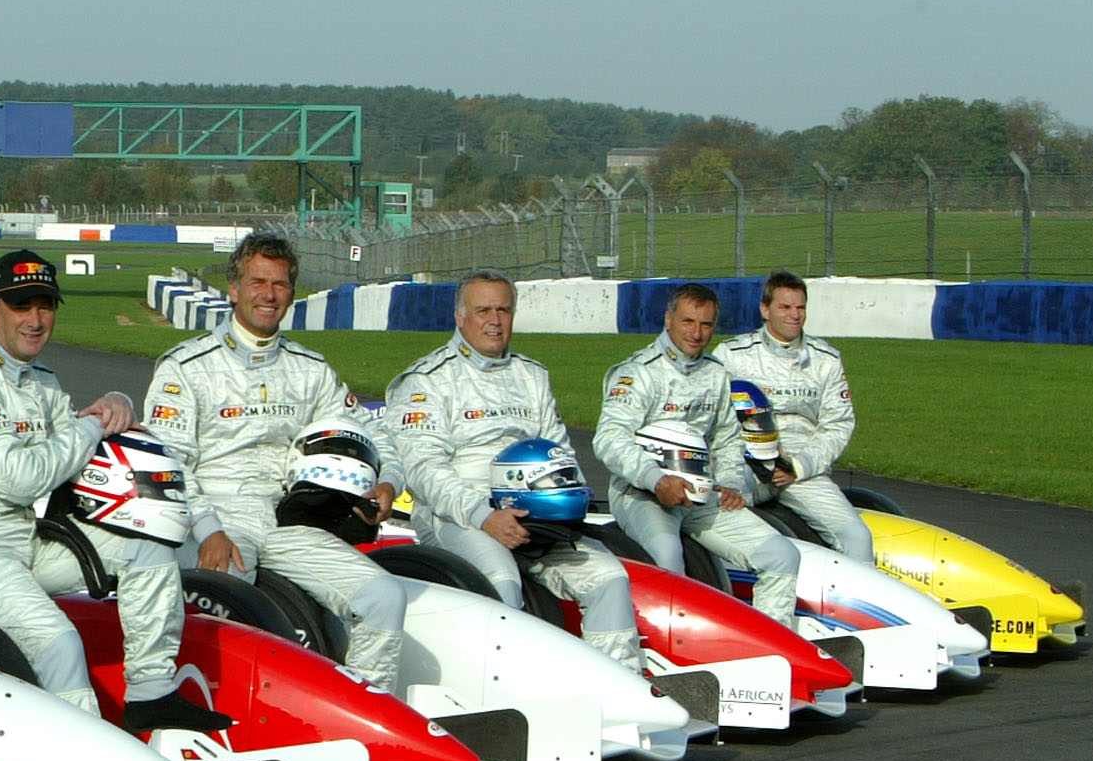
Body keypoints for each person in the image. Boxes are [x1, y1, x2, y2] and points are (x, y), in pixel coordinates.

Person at [0, 250, 188, 711]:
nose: (35, 319)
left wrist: (114, 405)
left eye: (45, 305)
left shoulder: (39, 379)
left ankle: (152, 692)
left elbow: (71, 455)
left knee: (146, 543)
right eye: (20, 306)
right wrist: (92, 425)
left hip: (20, 539)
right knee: (59, 645)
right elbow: (24, 478)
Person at [145, 230, 408, 692]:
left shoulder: (310, 370)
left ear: (291, 293)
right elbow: (167, 463)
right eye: (257, 282)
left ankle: (364, 720)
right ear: (233, 288)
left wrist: (387, 481)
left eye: (280, 284)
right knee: (234, 602)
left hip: (290, 519)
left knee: (384, 597)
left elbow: (375, 433)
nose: (269, 295)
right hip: (218, 516)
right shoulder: (185, 367)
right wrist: (209, 530)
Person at [383, 271, 642, 666]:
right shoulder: (426, 381)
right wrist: (486, 517)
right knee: (502, 583)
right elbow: (423, 469)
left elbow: (560, 451)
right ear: (460, 316)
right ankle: (513, 699)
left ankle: (622, 689)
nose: (494, 319)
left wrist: (562, 508)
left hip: (537, 512)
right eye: (483, 309)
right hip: (461, 515)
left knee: (609, 577)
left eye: (503, 309)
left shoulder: (532, 375)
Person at [593, 282, 801, 624]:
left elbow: (727, 438)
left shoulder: (716, 374)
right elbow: (609, 439)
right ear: (668, 319)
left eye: (706, 324)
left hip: (702, 495)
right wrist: (656, 480)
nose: (697, 333)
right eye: (689, 321)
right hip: (642, 493)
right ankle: (672, 658)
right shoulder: (638, 372)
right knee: (667, 554)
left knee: (782, 555)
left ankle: (773, 653)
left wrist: (733, 483)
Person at [715, 270, 872, 563]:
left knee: (857, 537)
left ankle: (854, 607)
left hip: (801, 468)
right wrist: (728, 472)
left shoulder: (826, 359)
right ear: (765, 309)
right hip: (744, 461)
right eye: (785, 307)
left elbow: (838, 425)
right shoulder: (732, 354)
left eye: (800, 307)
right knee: (720, 513)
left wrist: (798, 466)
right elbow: (715, 421)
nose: (794, 315)